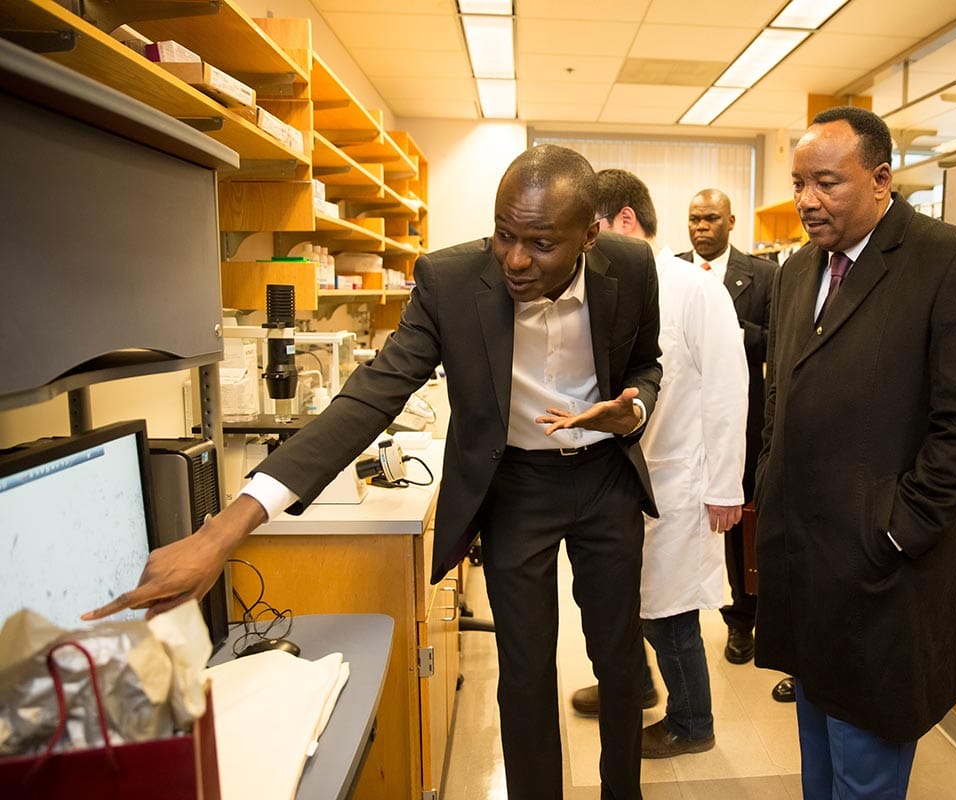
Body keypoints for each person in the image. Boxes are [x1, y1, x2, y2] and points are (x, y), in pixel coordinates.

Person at [85, 144, 665, 800]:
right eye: (504, 234)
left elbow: (646, 362)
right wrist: (222, 533)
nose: (516, 260)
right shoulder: (451, 282)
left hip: (601, 479)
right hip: (516, 489)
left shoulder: (633, 265)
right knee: (525, 674)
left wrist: (635, 407)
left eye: (540, 242)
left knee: (618, 663)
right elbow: (369, 396)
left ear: (590, 235)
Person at [754, 105, 956, 799]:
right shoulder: (795, 274)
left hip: (881, 569)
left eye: (827, 183)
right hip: (806, 562)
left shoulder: (952, 261)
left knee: (865, 763)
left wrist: (897, 528)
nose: (808, 200)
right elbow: (783, 394)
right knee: (817, 746)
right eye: (799, 182)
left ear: (880, 178)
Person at [569, 168, 748, 758]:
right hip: (618, 476)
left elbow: (728, 390)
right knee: (627, 596)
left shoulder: (695, 289)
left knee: (670, 610)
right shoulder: (601, 282)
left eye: (588, 229)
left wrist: (725, 487)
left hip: (678, 478)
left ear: (623, 221)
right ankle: (637, 686)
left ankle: (693, 721)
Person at [676, 189, 778, 675]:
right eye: (694, 219)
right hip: (677, 419)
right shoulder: (672, 271)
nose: (701, 227)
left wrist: (726, 331)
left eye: (711, 218)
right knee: (679, 518)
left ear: (731, 221)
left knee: (736, 518)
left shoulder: (763, 275)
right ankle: (678, 612)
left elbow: (777, 342)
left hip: (741, 418)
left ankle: (742, 621)